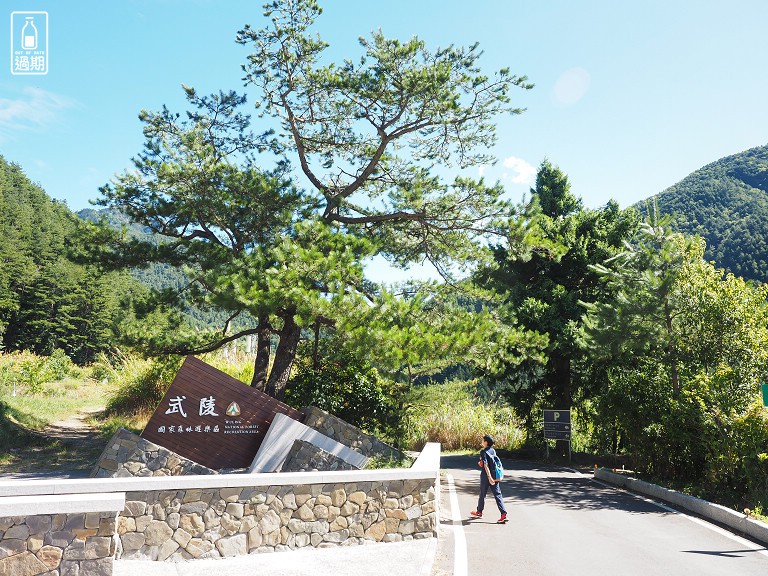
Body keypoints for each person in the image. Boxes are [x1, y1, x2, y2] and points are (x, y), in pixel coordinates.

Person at [469, 434, 508, 523]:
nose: (482, 442)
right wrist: (481, 463)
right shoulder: (492, 451)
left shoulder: (483, 452)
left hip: (486, 476)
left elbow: (486, 465)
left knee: (482, 494)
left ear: (486, 442)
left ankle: (479, 511)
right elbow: (491, 462)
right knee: (498, 495)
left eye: (483, 440)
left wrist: (489, 477)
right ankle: (503, 514)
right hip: (495, 475)